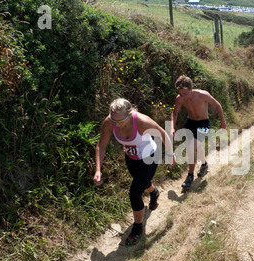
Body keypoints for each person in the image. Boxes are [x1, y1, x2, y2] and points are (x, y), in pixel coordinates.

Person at [94, 98, 175, 246]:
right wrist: (98, 169)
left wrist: (170, 154)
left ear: (130, 115)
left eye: (121, 120)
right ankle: (154, 192)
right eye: (114, 120)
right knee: (142, 183)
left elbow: (163, 134)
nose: (117, 124)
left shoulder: (142, 122)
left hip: (149, 156)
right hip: (131, 157)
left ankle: (138, 227)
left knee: (134, 192)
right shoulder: (110, 122)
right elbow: (101, 145)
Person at [170, 75, 227, 190]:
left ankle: (190, 176)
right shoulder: (179, 99)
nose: (182, 96)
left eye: (185, 93)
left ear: (191, 88)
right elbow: (175, 113)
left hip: (203, 124)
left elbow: (217, 105)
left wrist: (223, 122)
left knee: (191, 148)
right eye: (180, 93)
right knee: (197, 146)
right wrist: (172, 127)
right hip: (190, 123)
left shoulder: (202, 95)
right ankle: (204, 164)